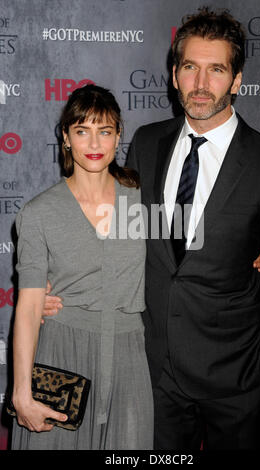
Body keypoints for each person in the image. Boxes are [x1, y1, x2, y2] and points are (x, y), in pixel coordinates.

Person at [43, 7, 260, 450]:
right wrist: (61, 283)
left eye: (216, 70)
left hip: (237, 377)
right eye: (189, 68)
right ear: (174, 74)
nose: (201, 84)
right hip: (153, 372)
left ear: (237, 80)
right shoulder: (148, 141)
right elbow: (122, 234)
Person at [10, 84, 153, 450]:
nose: (94, 143)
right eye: (82, 131)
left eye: (104, 131)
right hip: (61, 354)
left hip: (128, 361)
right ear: (66, 136)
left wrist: (255, 252)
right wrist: (21, 392)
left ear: (118, 135)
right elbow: (28, 307)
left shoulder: (143, 203)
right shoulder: (38, 213)